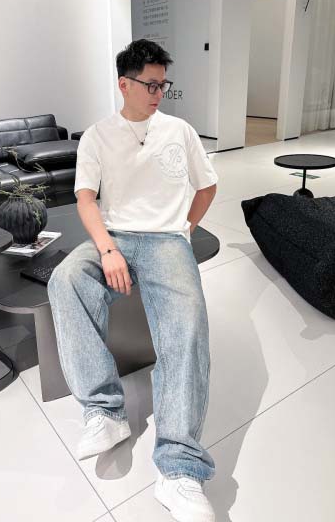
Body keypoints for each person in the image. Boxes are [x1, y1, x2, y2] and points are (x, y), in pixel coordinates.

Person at [48, 39, 218, 522]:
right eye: (151, 84)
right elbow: (86, 199)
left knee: (188, 325)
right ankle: (104, 411)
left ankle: (179, 467)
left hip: (167, 240)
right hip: (116, 235)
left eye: (164, 85)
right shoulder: (97, 136)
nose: (159, 93)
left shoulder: (180, 131)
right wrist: (107, 249)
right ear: (124, 84)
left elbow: (207, 187)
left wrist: (184, 230)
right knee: (66, 279)